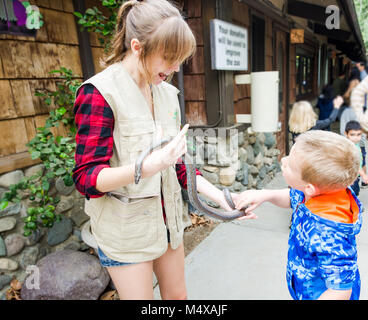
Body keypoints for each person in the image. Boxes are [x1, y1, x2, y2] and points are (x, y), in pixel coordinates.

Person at [72, 0, 254, 300]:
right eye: (169, 58)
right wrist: (145, 167)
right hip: (126, 232)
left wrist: (223, 199)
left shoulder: (168, 94)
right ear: (137, 46)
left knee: (178, 298)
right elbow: (86, 178)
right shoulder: (99, 94)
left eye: (179, 59)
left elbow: (179, 166)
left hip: (169, 224)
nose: (174, 68)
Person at [233, 130, 363, 300]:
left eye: (289, 165)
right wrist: (265, 195)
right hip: (306, 286)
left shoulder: (328, 233)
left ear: (310, 187)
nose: (283, 160)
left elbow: (340, 291)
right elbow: (292, 197)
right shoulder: (319, 191)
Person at [344, 120, 368, 196]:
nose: (356, 138)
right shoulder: (350, 148)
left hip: (355, 177)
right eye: (352, 135)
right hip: (351, 179)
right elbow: (355, 165)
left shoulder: (356, 145)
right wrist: (363, 175)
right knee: (352, 195)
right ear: (346, 134)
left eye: (358, 134)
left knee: (355, 194)